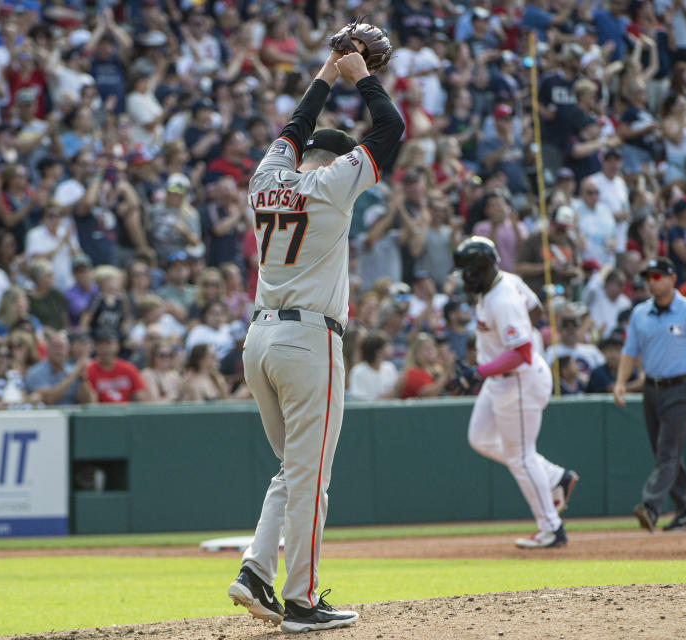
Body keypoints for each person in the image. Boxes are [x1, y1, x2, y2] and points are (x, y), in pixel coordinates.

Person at [228, 50, 403, 633]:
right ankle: (301, 602)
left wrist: (328, 69)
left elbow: (294, 127)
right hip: (308, 343)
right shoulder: (333, 185)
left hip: (259, 340)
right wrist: (363, 75)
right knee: (311, 479)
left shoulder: (264, 178)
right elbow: (391, 129)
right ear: (338, 158)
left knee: (293, 470)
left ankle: (255, 570)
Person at [453, 236, 577, 549]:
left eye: (467, 272)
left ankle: (551, 528)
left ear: (480, 269)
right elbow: (535, 311)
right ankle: (554, 477)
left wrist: (478, 372)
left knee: (520, 457)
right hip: (501, 379)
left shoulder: (502, 298)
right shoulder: (505, 281)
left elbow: (521, 352)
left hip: (518, 380)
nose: (464, 279)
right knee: (480, 438)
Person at [614, 257, 686, 533]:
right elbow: (629, 352)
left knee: (668, 452)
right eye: (649, 277)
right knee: (664, 453)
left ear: (673, 279)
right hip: (652, 389)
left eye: (658, 276)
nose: (652, 282)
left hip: (681, 388)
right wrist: (621, 382)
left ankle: (650, 506)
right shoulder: (640, 313)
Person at [25, 330, 95, 406]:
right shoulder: (35, 372)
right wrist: (76, 371)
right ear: (47, 350)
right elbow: (49, 399)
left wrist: (82, 378)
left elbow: (87, 402)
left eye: (61, 347)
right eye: (55, 346)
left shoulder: (71, 370)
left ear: (68, 351)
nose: (58, 351)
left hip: (72, 416)